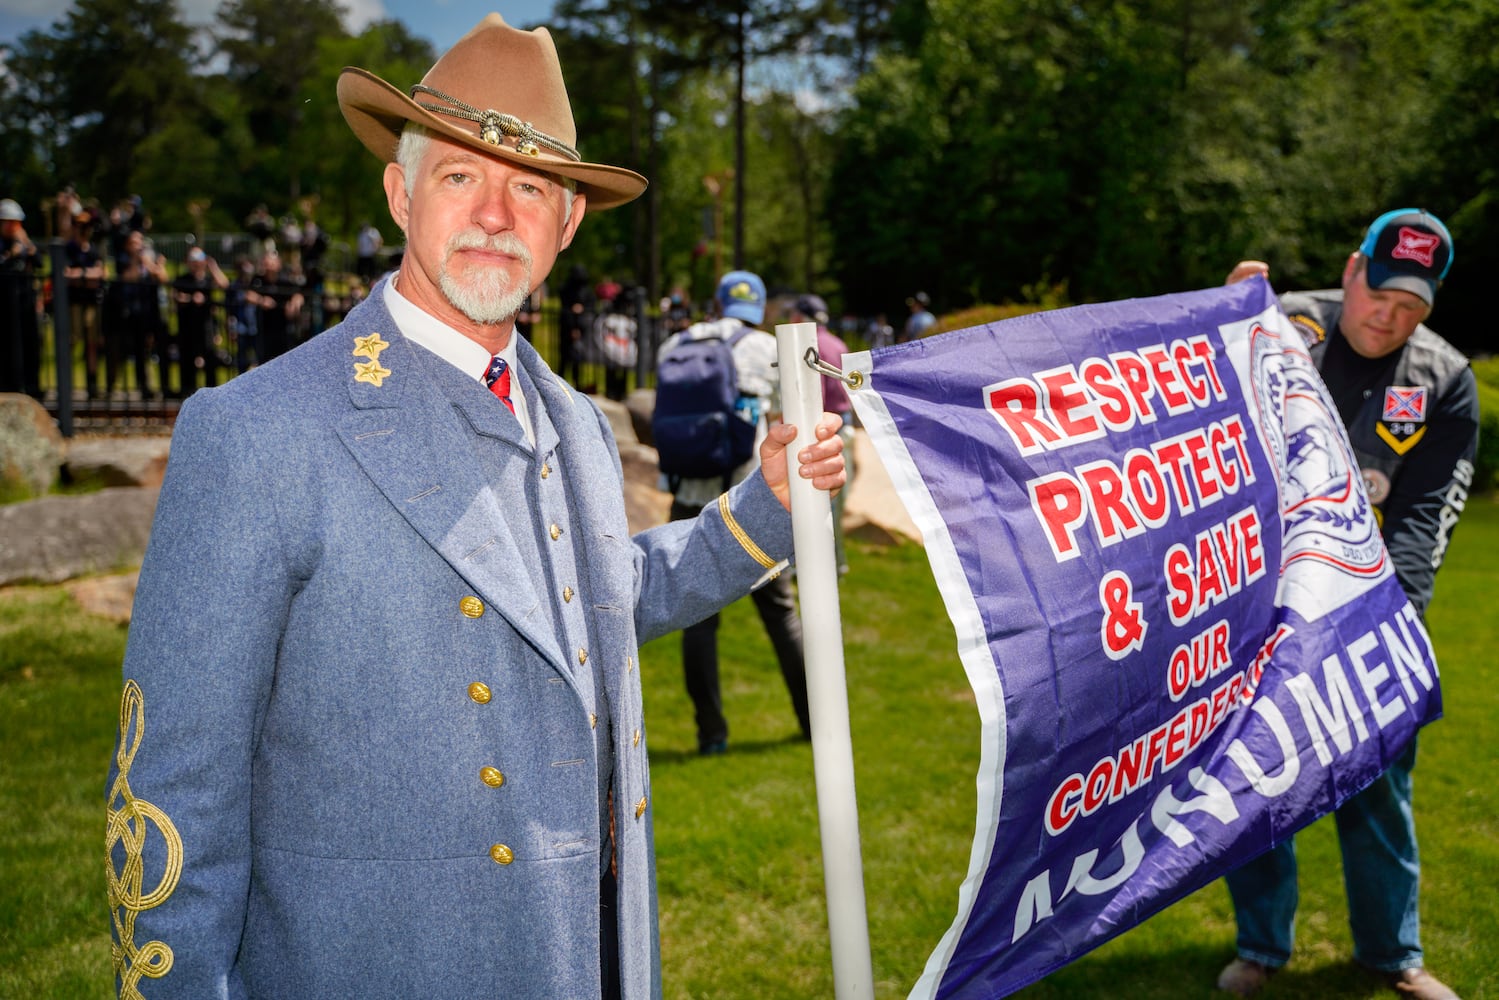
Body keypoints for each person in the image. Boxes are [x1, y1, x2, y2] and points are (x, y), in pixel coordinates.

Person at [104, 15, 844, 1000]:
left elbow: (605, 598)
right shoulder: (256, 433)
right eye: (460, 176)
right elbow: (174, 799)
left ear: (567, 221)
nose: (495, 214)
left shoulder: (574, 423)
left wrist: (764, 506)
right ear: (399, 191)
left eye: (528, 187)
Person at [1215, 209, 1475, 1000]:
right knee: (1255, 780)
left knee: (1376, 789)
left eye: (1411, 309)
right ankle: (1260, 945)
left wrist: (1395, 618)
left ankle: (1393, 956)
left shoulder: (1442, 379)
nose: (1387, 319)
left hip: (1365, 610)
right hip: (1258, 602)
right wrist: (1222, 320)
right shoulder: (1280, 324)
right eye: (1380, 295)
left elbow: (1426, 515)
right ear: (1352, 268)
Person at [658, 270, 814, 755]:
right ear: (759, 307)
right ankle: (814, 722)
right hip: (746, 501)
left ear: (717, 301)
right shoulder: (767, 347)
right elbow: (791, 424)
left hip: (687, 496)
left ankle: (711, 734)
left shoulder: (674, 345)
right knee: (780, 614)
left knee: (698, 620)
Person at [789, 293, 856, 575]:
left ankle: (809, 566)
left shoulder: (806, 345)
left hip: (819, 429)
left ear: (801, 317)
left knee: (809, 503)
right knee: (835, 504)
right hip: (844, 424)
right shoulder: (838, 343)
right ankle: (837, 562)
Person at [170, 247, 229, 396]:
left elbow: (224, 284)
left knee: (210, 358)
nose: (196, 265)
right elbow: (176, 296)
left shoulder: (207, 280)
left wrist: (213, 267)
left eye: (198, 261)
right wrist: (192, 299)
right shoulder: (182, 279)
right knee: (187, 360)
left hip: (205, 326)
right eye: (192, 261)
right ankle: (187, 391)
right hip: (187, 325)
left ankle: (211, 392)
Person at [64, 211, 108, 400]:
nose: (84, 230)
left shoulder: (93, 250)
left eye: (87, 226)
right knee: (72, 341)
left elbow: (102, 273)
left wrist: (79, 275)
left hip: (91, 302)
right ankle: (66, 382)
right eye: (80, 226)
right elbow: (66, 274)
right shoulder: (69, 249)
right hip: (74, 302)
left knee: (92, 343)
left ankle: (92, 384)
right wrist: (86, 275)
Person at [0, 198, 41, 398]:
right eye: (8, 222)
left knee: (31, 342)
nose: (12, 227)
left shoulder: (23, 242)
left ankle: (32, 385)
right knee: (9, 346)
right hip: (5, 304)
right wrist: (12, 254)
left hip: (25, 300)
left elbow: (39, 262)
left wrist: (26, 244)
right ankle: (9, 385)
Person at [558, 262, 595, 387]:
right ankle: (561, 382)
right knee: (565, 358)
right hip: (567, 327)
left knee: (577, 358)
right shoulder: (567, 289)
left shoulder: (586, 291)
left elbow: (591, 307)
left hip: (581, 327)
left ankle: (577, 383)